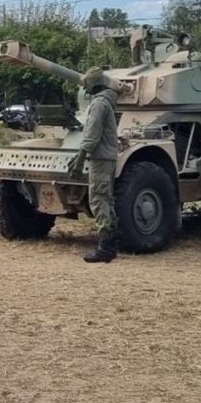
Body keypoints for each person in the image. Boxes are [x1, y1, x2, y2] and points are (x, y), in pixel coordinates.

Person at [70, 67, 121, 264]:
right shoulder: (107, 101)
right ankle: (111, 244)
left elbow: (92, 134)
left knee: (98, 199)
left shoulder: (99, 104)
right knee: (106, 199)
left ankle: (105, 248)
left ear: (93, 84)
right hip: (107, 157)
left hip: (100, 158)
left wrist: (80, 157)